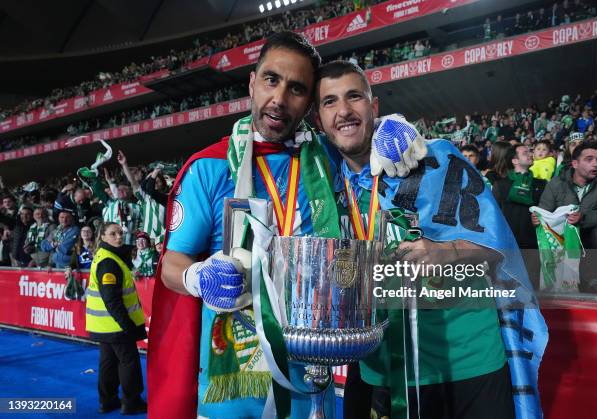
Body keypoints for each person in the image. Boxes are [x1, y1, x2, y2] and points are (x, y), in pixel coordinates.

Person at [148, 32, 417, 419]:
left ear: (308, 102)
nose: (279, 98)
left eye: (296, 89)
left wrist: (393, 128)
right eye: (271, 80)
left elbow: (362, 138)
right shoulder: (208, 167)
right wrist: (197, 277)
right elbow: (172, 264)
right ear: (252, 83)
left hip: (313, 382)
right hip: (233, 390)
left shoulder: (328, 159)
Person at [313, 60, 547, 419]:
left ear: (374, 107)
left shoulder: (434, 155)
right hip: (382, 364)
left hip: (467, 361)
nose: (343, 111)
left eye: (354, 96)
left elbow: (499, 250)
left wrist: (449, 250)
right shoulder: (323, 183)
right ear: (318, 119)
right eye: (329, 101)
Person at [85, 222, 147, 415]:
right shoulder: (109, 262)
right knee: (128, 362)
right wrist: (127, 324)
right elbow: (112, 299)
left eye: (120, 233)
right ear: (102, 236)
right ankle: (131, 402)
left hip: (104, 325)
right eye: (113, 234)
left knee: (108, 363)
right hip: (116, 325)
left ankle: (108, 401)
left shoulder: (105, 256)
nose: (118, 237)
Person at [535, 142, 597, 292]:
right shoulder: (556, 183)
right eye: (589, 159)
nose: (596, 164)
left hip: (589, 236)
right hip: (562, 236)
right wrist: (537, 219)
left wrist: (582, 218)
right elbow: (544, 210)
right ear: (575, 163)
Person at [493, 145, 547, 288]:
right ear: (515, 161)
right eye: (525, 152)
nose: (530, 154)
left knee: (531, 287)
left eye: (530, 151)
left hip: (532, 243)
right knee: (507, 287)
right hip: (508, 244)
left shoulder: (540, 184)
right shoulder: (501, 185)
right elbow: (495, 215)